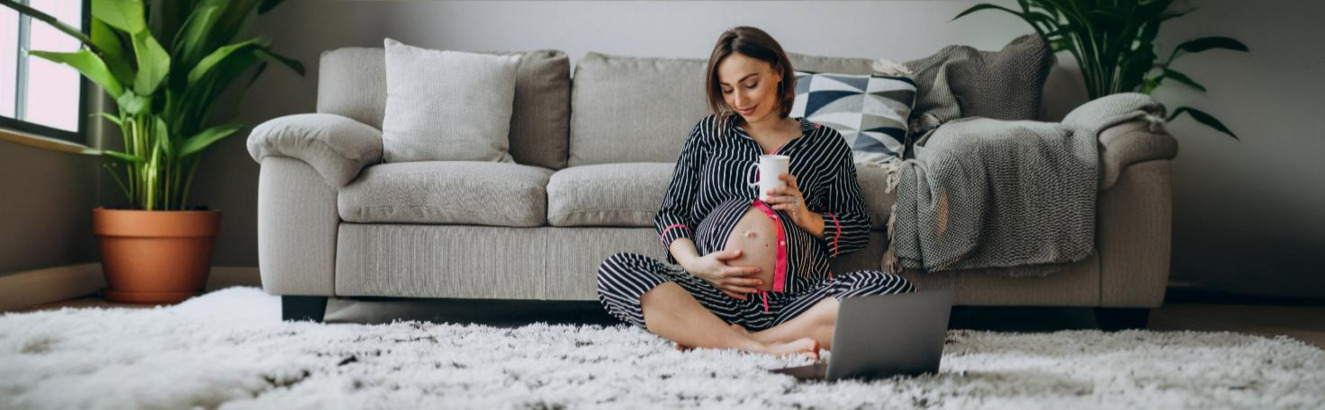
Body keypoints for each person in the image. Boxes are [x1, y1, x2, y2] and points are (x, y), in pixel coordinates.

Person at [596, 26, 914, 359]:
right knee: (616, 271)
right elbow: (672, 213)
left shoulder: (826, 143)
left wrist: (808, 218)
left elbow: (857, 227)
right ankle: (752, 345)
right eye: (728, 89)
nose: (739, 100)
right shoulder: (709, 134)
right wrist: (696, 266)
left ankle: (748, 338)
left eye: (750, 84)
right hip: (712, 294)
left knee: (893, 291)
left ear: (778, 71)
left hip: (798, 299)